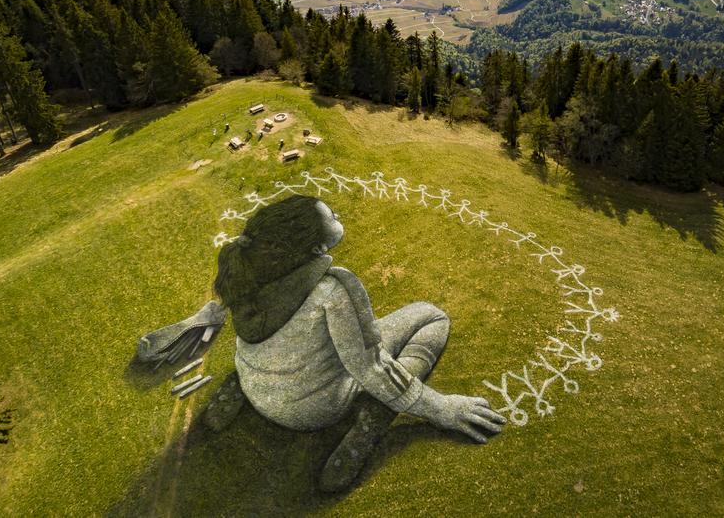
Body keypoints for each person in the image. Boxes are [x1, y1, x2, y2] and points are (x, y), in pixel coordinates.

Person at [203, 194, 504, 492]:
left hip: (257, 388)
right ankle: (377, 416)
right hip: (311, 410)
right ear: (318, 247)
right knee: (431, 317)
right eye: (332, 216)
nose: (339, 216)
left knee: (295, 344)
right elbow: (372, 369)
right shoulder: (334, 288)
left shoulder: (244, 267)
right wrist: (443, 409)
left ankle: (239, 387)